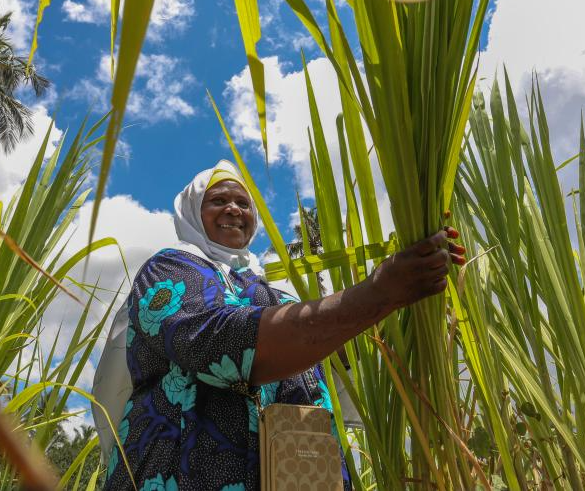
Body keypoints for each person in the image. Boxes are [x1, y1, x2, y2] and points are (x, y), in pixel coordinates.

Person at [100, 160, 465, 491]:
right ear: (192, 211)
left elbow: (340, 356)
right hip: (177, 474)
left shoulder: (276, 298)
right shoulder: (170, 271)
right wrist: (379, 292)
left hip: (296, 474)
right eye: (217, 201)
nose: (233, 209)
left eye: (243, 204)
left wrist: (416, 278)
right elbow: (215, 342)